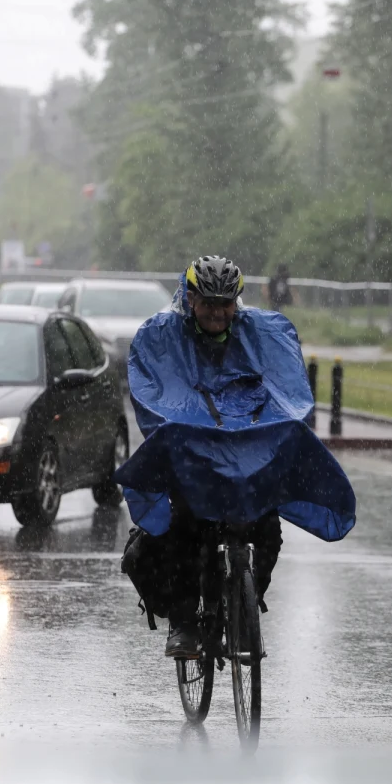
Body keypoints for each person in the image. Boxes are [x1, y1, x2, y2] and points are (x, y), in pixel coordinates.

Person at [117, 256, 356, 660]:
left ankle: (244, 607)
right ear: (190, 299)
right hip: (196, 459)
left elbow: (285, 389)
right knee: (185, 528)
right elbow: (157, 395)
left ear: (237, 303)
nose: (216, 311)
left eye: (226, 303)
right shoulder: (165, 338)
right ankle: (184, 622)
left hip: (248, 458)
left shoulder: (260, 335)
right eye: (208, 302)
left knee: (266, 531)